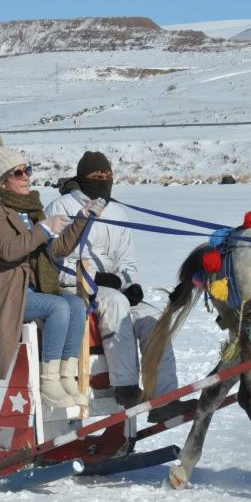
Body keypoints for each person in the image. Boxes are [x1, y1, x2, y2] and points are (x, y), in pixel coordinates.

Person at [0, 139, 96, 415]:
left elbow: (58, 249)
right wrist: (44, 229)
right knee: (58, 306)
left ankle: (65, 376)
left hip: (31, 286)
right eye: (18, 173)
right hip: (3, 290)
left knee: (76, 305)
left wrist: (82, 219)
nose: (26, 177)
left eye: (28, 170)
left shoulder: (31, 210)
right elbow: (9, 250)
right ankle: (48, 381)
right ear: (2, 182)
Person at [45, 150, 190, 423]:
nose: (104, 180)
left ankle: (164, 398)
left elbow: (127, 262)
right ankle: (125, 386)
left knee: (152, 318)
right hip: (73, 289)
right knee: (114, 302)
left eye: (108, 175)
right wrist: (96, 280)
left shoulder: (118, 212)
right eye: (97, 176)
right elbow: (55, 260)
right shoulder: (61, 207)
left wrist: (128, 283)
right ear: (82, 177)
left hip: (112, 289)